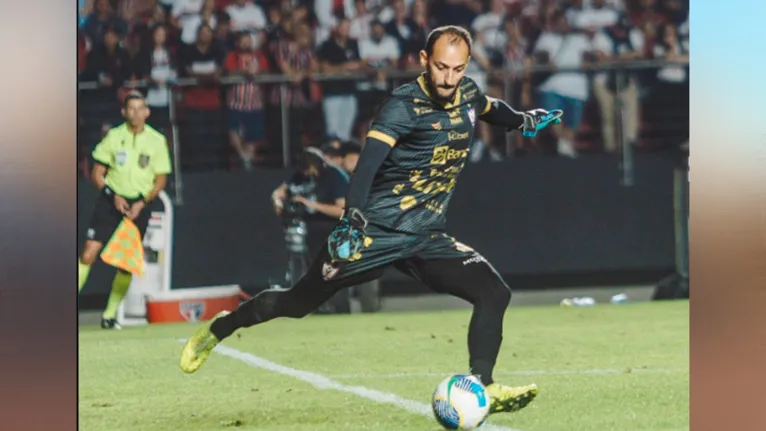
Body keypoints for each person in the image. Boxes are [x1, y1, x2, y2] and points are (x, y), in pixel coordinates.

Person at [180, 25, 561, 415]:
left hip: (425, 234)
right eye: (442, 68)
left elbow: (488, 107)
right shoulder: (402, 105)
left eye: (458, 69)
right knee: (297, 303)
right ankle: (218, 329)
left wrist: (524, 121)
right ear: (424, 60)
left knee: (494, 292)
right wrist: (352, 217)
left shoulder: (465, 91)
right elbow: (366, 165)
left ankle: (482, 385)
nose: (448, 79)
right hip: (374, 230)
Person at [78, 90, 173, 329]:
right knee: (88, 253)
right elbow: (97, 173)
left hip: (138, 205)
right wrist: (113, 195)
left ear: (147, 112)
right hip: (111, 201)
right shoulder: (114, 136)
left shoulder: (156, 140)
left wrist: (142, 201)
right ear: (124, 112)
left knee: (126, 263)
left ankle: (109, 316)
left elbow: (161, 179)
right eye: (131, 108)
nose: (136, 113)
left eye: (140, 108)